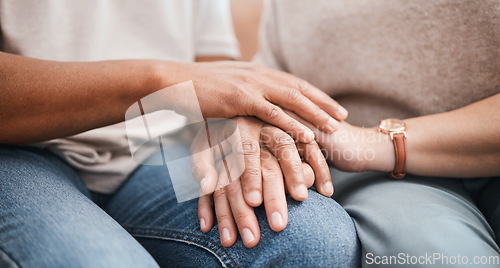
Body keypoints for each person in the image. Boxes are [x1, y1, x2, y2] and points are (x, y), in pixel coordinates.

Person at [0, 0, 359, 267]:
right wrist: (165, 81)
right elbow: (191, 79)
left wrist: (233, 122)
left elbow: (211, 65)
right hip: (21, 148)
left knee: (312, 241)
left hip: (162, 147)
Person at [250, 0, 499, 267]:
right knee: (435, 255)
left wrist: (371, 143)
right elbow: (264, 88)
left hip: (364, 148)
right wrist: (259, 127)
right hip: (368, 170)